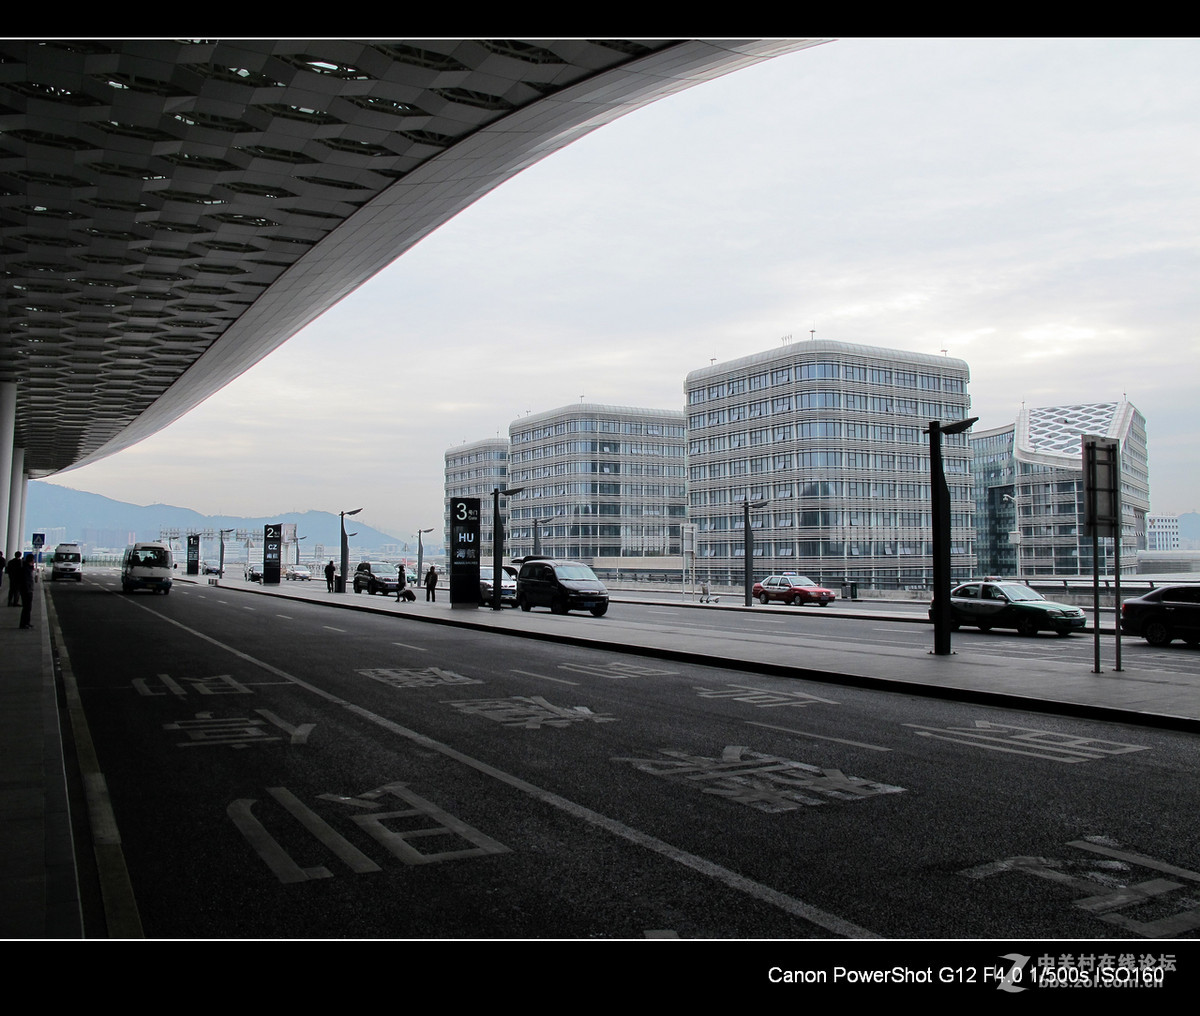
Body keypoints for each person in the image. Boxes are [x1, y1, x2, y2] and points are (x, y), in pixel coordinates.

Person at [18, 553, 35, 629]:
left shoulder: (27, 567)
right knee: (27, 608)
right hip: (26, 590)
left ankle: (27, 622)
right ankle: (24, 624)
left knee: (28, 608)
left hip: (27, 590)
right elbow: (26, 580)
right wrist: (28, 590)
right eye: (33, 560)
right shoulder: (26, 569)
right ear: (31, 560)